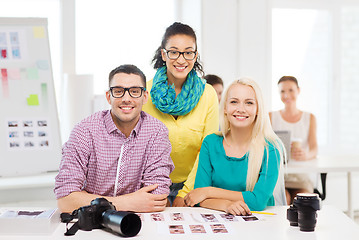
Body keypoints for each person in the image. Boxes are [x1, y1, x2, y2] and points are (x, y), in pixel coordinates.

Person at [54, 64, 174, 213]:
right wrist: (128, 203)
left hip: (138, 224)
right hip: (91, 224)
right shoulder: (84, 131)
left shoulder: (157, 132)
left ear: (145, 97)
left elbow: (156, 199)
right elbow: (65, 200)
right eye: (118, 91)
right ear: (108, 97)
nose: (126, 99)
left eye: (134, 92)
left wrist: (87, 199)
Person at [143, 22, 219, 205]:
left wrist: (184, 193)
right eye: (174, 51)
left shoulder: (208, 94)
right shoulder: (145, 92)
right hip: (150, 185)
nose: (181, 59)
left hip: (196, 184)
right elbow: (140, 150)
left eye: (188, 52)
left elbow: (207, 150)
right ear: (164, 54)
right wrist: (159, 190)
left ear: (195, 55)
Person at [183, 78, 284, 215]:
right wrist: (227, 205)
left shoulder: (271, 148)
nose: (241, 109)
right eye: (234, 102)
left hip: (259, 223)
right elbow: (198, 198)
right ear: (225, 108)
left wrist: (209, 192)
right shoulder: (210, 143)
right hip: (218, 223)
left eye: (249, 103)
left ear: (258, 109)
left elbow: (258, 201)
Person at [269, 76, 318, 205]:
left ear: (298, 90)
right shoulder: (271, 117)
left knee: (302, 202)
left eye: (291, 90)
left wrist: (306, 154)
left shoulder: (310, 118)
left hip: (301, 175)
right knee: (283, 200)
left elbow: (314, 148)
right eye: (282, 91)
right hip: (279, 176)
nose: (287, 95)